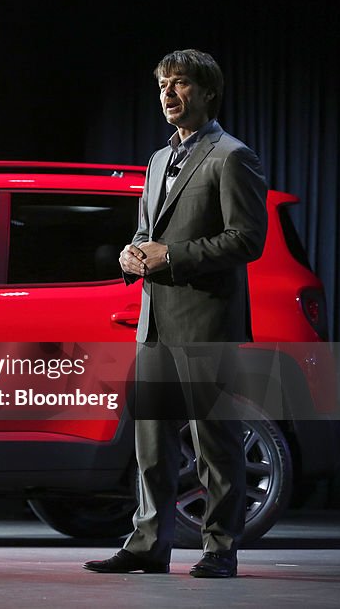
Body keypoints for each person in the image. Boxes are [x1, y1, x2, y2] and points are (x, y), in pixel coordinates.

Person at [83, 49, 267, 578]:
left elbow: (247, 240)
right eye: (164, 83)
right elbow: (149, 230)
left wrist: (175, 257)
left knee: (215, 442)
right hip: (155, 320)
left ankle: (220, 548)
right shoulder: (159, 159)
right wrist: (132, 252)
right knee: (151, 444)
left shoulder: (232, 156)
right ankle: (147, 545)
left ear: (208, 92)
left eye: (181, 83)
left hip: (206, 320)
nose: (168, 93)